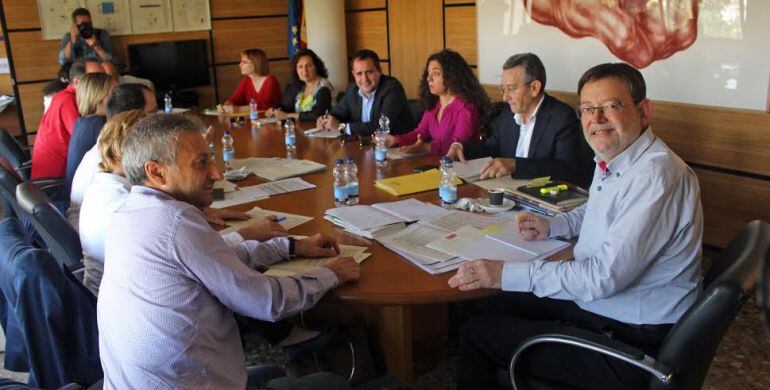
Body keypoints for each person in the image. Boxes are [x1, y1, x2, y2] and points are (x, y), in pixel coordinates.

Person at [449, 63, 703, 389]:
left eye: (611, 106)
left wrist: (502, 273)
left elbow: (601, 277)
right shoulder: (619, 154)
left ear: (644, 111)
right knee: (489, 300)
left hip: (630, 337)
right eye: (587, 109)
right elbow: (596, 210)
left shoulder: (656, 175)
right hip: (610, 308)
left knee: (478, 333)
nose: (596, 119)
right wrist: (553, 225)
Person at [97, 113, 360, 388]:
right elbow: (266, 300)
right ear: (156, 172)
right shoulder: (175, 224)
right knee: (331, 383)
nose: (217, 173)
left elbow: (217, 259)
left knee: (270, 373)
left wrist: (291, 246)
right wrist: (332, 273)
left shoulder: (129, 213)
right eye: (201, 163)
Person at [445, 53, 595, 188]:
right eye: (503, 89)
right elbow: (491, 148)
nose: (505, 97)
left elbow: (566, 169)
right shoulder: (507, 116)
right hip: (507, 192)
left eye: (511, 88)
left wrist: (516, 165)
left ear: (535, 88)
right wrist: (461, 148)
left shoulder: (562, 118)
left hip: (543, 197)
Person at [67, 83, 157, 229]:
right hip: (101, 237)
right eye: (152, 113)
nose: (157, 120)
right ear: (135, 118)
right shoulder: (117, 155)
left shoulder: (107, 143)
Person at [384, 49, 489, 156]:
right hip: (439, 161)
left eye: (436, 73)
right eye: (428, 73)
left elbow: (458, 144)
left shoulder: (466, 106)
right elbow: (421, 132)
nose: (429, 79)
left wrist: (426, 148)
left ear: (452, 76)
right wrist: (395, 139)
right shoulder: (434, 104)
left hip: (464, 165)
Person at [31, 59, 103, 180]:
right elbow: (87, 140)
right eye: (96, 78)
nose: (103, 82)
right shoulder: (68, 101)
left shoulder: (65, 96)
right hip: (55, 181)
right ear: (77, 82)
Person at [316, 49, 413, 136]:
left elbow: (382, 126)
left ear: (379, 70)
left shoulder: (392, 88)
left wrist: (343, 128)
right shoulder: (352, 89)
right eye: (359, 74)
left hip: (395, 147)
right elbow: (337, 113)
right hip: (362, 145)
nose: (364, 79)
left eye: (369, 72)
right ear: (353, 74)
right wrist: (325, 120)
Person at [64, 72, 115, 197]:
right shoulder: (101, 125)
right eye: (115, 92)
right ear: (103, 97)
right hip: (88, 199)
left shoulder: (82, 121)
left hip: (77, 194)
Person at [265, 48, 333, 122]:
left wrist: (287, 115)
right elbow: (286, 105)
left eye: (309, 66)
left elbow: (318, 114)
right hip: (301, 129)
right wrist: (274, 109)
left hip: (321, 131)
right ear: (296, 70)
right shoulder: (300, 86)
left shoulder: (324, 87)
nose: (304, 70)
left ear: (316, 67)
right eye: (300, 67)